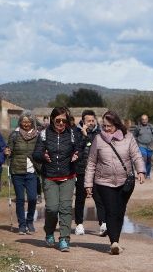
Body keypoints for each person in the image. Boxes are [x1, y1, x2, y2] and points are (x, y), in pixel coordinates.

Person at [84, 110, 145, 255]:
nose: (106, 129)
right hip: (104, 182)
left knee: (120, 211)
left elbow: (136, 156)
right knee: (111, 211)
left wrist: (141, 171)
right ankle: (114, 242)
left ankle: (116, 239)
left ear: (116, 124)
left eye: (109, 126)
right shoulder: (98, 139)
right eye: (104, 126)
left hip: (125, 181)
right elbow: (91, 162)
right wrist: (88, 184)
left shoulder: (128, 138)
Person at [36, 106, 82, 252]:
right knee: (52, 208)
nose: (61, 123)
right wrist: (42, 156)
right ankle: (49, 231)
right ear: (52, 119)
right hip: (50, 176)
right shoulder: (43, 134)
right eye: (58, 120)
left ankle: (64, 239)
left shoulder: (73, 134)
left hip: (68, 176)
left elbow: (80, 148)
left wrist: (77, 155)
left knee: (66, 208)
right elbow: (35, 153)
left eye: (64, 120)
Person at [6, 112, 40, 234]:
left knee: (32, 198)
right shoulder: (14, 135)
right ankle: (22, 225)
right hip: (17, 171)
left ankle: (29, 221)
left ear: (32, 123)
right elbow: (8, 149)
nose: (26, 124)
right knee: (20, 199)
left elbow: (40, 151)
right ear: (20, 122)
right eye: (24, 122)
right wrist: (7, 152)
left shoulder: (37, 136)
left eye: (29, 122)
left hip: (32, 171)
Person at [73, 109, 106, 235]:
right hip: (81, 169)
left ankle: (103, 223)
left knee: (99, 198)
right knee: (80, 198)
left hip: (97, 171)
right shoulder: (76, 132)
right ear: (83, 121)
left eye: (93, 120)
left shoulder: (100, 133)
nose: (91, 123)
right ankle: (79, 224)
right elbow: (76, 149)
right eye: (88, 121)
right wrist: (83, 135)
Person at [133, 113, 153, 179]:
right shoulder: (138, 127)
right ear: (141, 120)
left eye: (145, 119)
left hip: (150, 146)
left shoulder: (151, 126)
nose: (144, 121)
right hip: (141, 145)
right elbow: (134, 135)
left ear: (147, 120)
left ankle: (148, 174)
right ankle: (143, 174)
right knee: (144, 158)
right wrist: (135, 143)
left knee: (148, 160)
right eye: (143, 119)